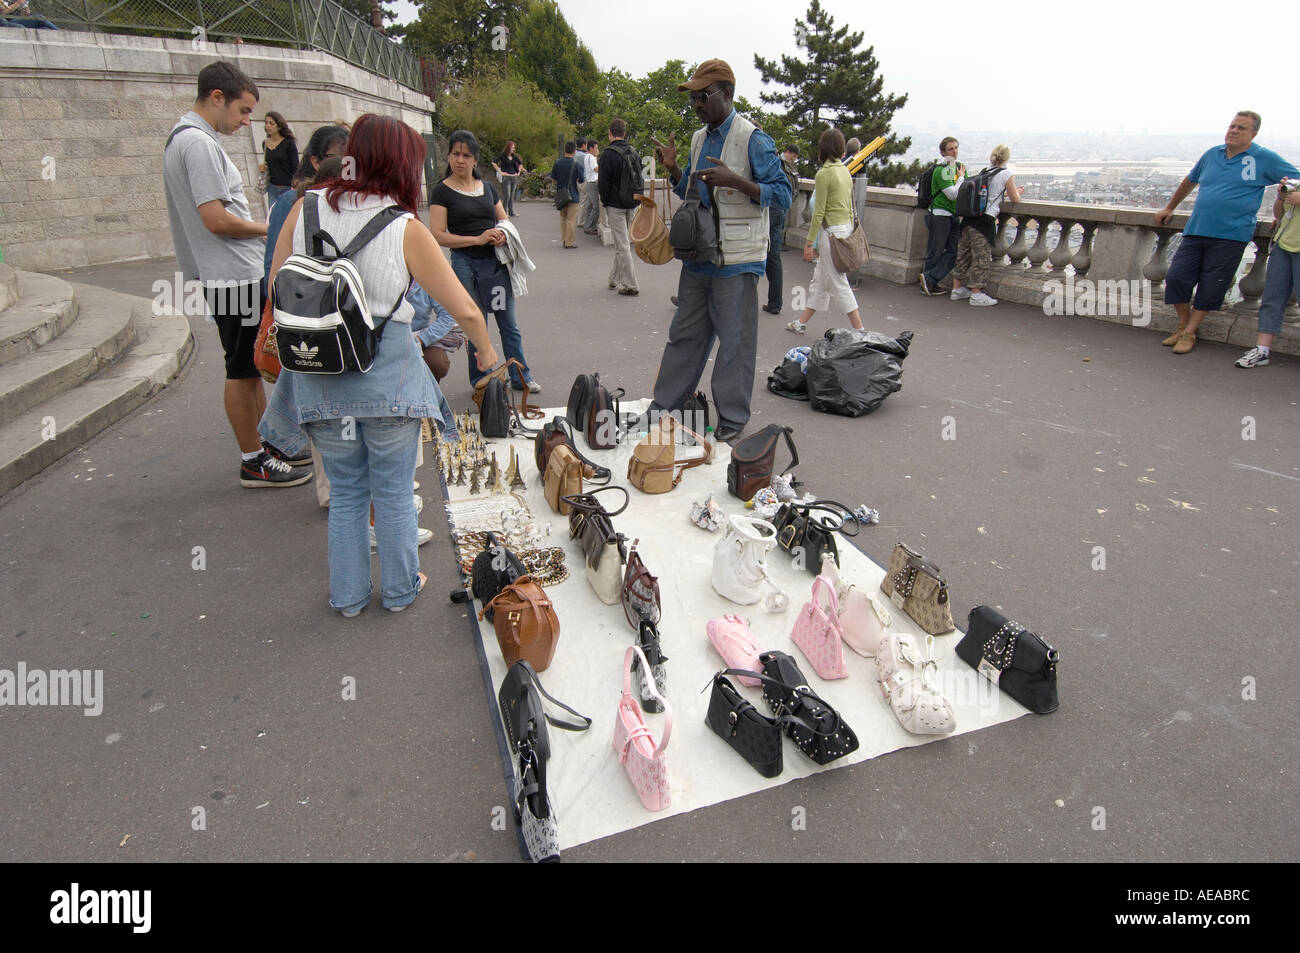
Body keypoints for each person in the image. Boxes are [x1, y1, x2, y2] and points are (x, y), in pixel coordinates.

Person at [264, 114, 498, 617]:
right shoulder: (404, 226)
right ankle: (399, 590)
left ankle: (347, 598)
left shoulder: (303, 209)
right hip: (387, 376)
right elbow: (462, 308)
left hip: (319, 374)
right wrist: (486, 350)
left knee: (347, 491)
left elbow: (276, 284)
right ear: (400, 165)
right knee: (392, 491)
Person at [163, 61, 309, 488]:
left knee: (248, 363)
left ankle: (268, 447)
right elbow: (216, 219)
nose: (248, 121)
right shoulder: (199, 144)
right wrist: (271, 229)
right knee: (242, 369)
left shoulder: (183, 138)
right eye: (243, 111)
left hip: (223, 274)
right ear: (216, 97)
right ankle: (253, 460)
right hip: (232, 274)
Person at [648, 59, 792, 443]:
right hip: (699, 258)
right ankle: (665, 406)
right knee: (684, 336)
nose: (695, 103)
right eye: (693, 97)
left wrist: (737, 181)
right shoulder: (699, 138)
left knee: (735, 344)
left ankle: (731, 418)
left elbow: (783, 194)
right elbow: (691, 195)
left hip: (737, 262)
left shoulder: (753, 139)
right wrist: (675, 170)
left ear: (727, 94)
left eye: (702, 95)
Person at [1155, 112, 1299, 354]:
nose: (1233, 131)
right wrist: (1170, 207)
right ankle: (1182, 324)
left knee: (1212, 286)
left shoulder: (1264, 158)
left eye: (1241, 128)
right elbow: (1190, 181)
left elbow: (1294, 180)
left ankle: (1189, 332)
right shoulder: (1212, 154)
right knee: (1177, 278)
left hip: (1232, 235)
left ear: (1253, 134)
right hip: (1197, 229)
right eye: (1232, 126)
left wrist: (1280, 216)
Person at [429, 129, 540, 391]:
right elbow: (437, 235)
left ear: (475, 160)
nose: (460, 160)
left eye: (466, 155)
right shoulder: (442, 192)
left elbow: (504, 220)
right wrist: (477, 239)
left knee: (508, 323)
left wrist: (501, 234)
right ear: (449, 157)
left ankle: (520, 376)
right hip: (464, 264)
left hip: (495, 265)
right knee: (475, 323)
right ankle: (483, 380)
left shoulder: (488, 188)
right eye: (455, 154)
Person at [787, 128, 862, 333]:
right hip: (844, 229)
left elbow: (818, 214)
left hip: (830, 233)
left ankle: (860, 330)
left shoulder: (824, 174)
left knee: (839, 283)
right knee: (820, 281)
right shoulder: (845, 171)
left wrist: (809, 243)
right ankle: (801, 323)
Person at [264, 124, 348, 284]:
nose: (344, 164)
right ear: (315, 162)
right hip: (302, 301)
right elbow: (273, 269)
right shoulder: (291, 201)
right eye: (336, 157)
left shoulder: (354, 201)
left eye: (350, 157)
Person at [1236, 180, 1300, 367]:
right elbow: (1279, 215)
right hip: (1283, 246)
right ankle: (1262, 350)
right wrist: (1281, 196)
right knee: (1272, 299)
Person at [951, 144, 1023, 307]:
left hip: (969, 218)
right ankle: (976, 294)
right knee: (981, 257)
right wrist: (1018, 191)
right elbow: (1015, 199)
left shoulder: (985, 172)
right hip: (984, 221)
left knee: (963, 254)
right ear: (1007, 158)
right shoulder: (1006, 174)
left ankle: (957, 289)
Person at [600, 119, 643, 296]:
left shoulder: (607, 155)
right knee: (621, 243)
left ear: (610, 133)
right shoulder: (634, 152)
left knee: (623, 244)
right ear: (624, 133)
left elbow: (603, 184)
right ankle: (613, 279)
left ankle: (631, 284)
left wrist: (605, 201)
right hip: (632, 202)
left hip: (616, 205)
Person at [920, 137, 966, 295]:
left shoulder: (957, 167)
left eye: (956, 148)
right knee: (935, 251)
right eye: (950, 149)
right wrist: (961, 178)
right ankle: (928, 282)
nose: (954, 151)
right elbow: (952, 194)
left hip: (951, 214)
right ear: (942, 153)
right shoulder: (942, 170)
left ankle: (929, 279)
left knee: (954, 251)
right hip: (940, 214)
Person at [762, 144, 800, 315]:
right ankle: (775, 303)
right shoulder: (785, 167)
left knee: (752, 255)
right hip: (780, 211)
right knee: (774, 258)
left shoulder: (764, 162)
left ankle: (740, 301)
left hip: (767, 210)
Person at [549, 141, 585, 249]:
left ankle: (564, 239)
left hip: (561, 195)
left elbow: (553, 178)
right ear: (574, 151)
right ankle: (569, 242)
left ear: (565, 150)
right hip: (573, 195)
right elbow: (582, 180)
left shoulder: (557, 163)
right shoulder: (576, 164)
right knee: (571, 220)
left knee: (563, 218)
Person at [259, 111, 298, 206]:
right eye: (266, 123)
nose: (268, 126)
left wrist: (295, 186)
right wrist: (263, 168)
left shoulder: (289, 143)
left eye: (271, 123)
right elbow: (270, 164)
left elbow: (295, 166)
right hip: (273, 189)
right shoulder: (265, 144)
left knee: (288, 217)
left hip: (288, 187)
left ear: (279, 126)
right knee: (273, 217)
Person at [491, 140, 526, 217]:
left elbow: (520, 164)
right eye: (512, 147)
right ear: (508, 148)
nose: (514, 149)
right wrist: (500, 172)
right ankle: (504, 212)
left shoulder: (514, 156)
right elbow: (494, 163)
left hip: (514, 177)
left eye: (514, 148)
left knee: (512, 195)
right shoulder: (502, 155)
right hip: (506, 177)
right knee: (507, 195)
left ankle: (511, 212)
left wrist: (518, 172)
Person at [581, 140, 602, 234]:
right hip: (593, 182)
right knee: (596, 206)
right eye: (596, 148)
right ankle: (591, 227)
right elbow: (596, 169)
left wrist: (596, 156)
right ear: (591, 148)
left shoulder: (587, 156)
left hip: (588, 181)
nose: (597, 150)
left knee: (589, 205)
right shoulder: (591, 157)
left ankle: (587, 225)